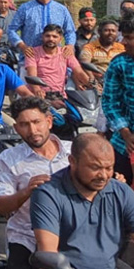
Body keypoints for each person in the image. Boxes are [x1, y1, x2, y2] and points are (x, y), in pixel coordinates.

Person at [32, 134, 134, 269]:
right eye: (95, 168)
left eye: (109, 168)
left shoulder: (121, 191)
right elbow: (49, 254)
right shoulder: (48, 194)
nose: (103, 176)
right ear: (72, 162)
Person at [0, 96, 72, 269]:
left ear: (49, 122)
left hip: (72, 234)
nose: (32, 130)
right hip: (26, 236)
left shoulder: (72, 151)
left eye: (37, 122)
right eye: (24, 124)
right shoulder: (9, 158)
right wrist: (27, 191)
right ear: (16, 128)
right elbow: (1, 206)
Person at [8, 0, 77, 60]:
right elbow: (11, 30)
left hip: (55, 60)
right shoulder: (25, 8)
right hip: (30, 57)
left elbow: (70, 31)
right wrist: (23, 46)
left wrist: (70, 45)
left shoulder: (61, 10)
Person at [102, 18, 134, 183]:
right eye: (123, 37)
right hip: (125, 146)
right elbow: (110, 102)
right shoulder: (119, 63)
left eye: (129, 37)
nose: (123, 42)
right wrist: (125, 132)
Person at [24, 24, 90, 104]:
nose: (51, 39)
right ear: (42, 37)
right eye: (47, 36)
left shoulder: (65, 53)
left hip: (59, 96)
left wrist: (91, 84)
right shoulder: (32, 53)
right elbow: (32, 75)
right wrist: (37, 89)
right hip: (38, 97)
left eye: (55, 37)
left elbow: (79, 72)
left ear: (60, 39)